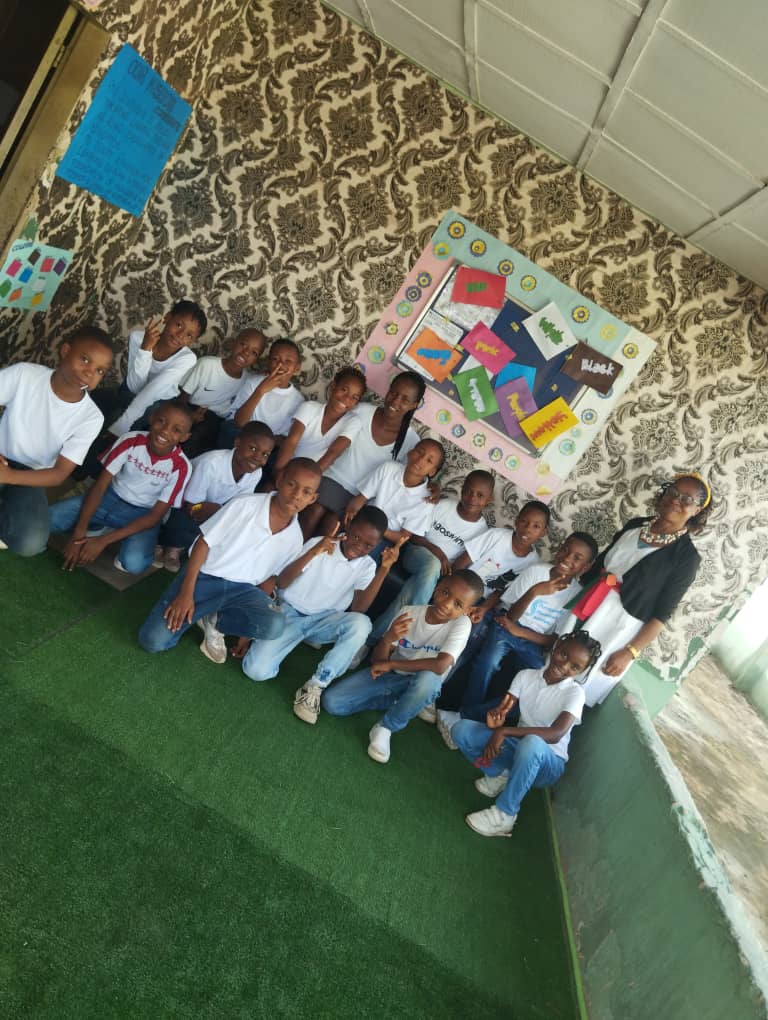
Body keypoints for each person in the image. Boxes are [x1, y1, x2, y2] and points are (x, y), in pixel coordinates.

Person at [137, 458, 321, 662]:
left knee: (274, 625)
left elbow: (270, 579)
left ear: (312, 499)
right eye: (291, 484)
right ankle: (198, 610)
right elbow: (202, 544)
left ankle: (215, 621)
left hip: (242, 591)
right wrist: (185, 594)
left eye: (306, 492)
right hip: (206, 578)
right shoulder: (244, 504)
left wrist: (246, 632)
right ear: (279, 480)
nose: (296, 495)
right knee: (152, 641)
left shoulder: (295, 538)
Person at [237, 507, 404, 726]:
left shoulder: (367, 566)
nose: (359, 546)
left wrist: (384, 569)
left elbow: (359, 608)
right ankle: (270, 636)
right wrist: (314, 552)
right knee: (255, 671)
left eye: (368, 545)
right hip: (289, 614)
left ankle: (316, 685)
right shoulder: (321, 544)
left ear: (377, 545)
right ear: (349, 524)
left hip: (322, 621)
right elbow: (282, 582)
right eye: (356, 537)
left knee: (361, 624)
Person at [557, 473, 712, 706]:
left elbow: (662, 614)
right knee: (554, 663)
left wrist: (630, 652)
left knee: (575, 690)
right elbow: (598, 566)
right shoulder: (636, 525)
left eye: (686, 499)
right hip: (587, 604)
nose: (675, 500)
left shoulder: (687, 558)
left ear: (697, 510)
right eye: (673, 492)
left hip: (615, 628)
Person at [322, 569, 484, 764]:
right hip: (392, 676)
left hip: (418, 681)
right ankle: (399, 702)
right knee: (332, 702)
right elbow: (378, 662)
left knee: (429, 679)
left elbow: (440, 666)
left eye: (458, 604)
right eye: (446, 592)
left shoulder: (462, 624)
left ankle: (386, 727)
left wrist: (391, 663)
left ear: (466, 611)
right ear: (437, 588)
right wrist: (387, 639)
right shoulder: (409, 613)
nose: (447, 604)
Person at [452, 631, 602, 838]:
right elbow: (503, 710)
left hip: (548, 763)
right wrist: (496, 721)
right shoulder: (525, 676)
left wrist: (504, 731)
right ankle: (503, 774)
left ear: (581, 672)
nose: (565, 665)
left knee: (532, 743)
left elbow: (555, 734)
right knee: (461, 730)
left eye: (575, 667)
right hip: (518, 746)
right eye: (564, 654)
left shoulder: (575, 693)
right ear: (557, 646)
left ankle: (505, 815)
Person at [0, 327, 113, 556]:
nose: (89, 372)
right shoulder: (25, 375)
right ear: (65, 351)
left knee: (30, 542)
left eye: (99, 370)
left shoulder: (91, 417)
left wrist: (9, 476)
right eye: (85, 359)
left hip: (32, 475)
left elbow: (60, 473)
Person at [458, 531, 598, 715]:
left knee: (537, 682)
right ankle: (465, 709)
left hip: (533, 640)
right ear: (559, 549)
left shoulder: (576, 595)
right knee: (488, 662)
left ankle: (473, 716)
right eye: (565, 550)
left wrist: (520, 632)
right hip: (506, 626)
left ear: (585, 567)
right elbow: (510, 617)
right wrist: (535, 591)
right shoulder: (536, 571)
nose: (567, 558)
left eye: (577, 558)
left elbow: (555, 641)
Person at [49, 400, 193, 574]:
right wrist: (79, 533)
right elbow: (100, 486)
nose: (165, 431)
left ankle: (109, 533)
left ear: (184, 437)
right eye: (161, 421)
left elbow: (155, 515)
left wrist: (103, 541)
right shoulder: (131, 440)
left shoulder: (181, 467)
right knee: (49, 519)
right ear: (152, 418)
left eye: (176, 430)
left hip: (143, 513)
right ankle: (96, 526)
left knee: (134, 564)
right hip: (109, 497)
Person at [369, 469, 494, 644]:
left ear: (489, 499)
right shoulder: (444, 506)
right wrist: (438, 553)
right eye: (468, 491)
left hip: (438, 574)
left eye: (480, 495)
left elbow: (462, 564)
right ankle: (414, 625)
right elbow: (415, 536)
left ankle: (373, 640)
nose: (472, 498)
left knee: (407, 596)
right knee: (432, 564)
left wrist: (445, 573)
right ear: (462, 489)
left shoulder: (482, 531)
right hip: (416, 553)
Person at [302, 370, 426, 538]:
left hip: (359, 499)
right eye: (393, 393)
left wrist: (432, 488)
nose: (396, 401)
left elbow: (408, 480)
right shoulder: (361, 411)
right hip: (331, 478)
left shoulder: (412, 442)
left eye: (405, 399)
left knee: (332, 525)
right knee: (314, 510)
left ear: (414, 405)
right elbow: (327, 432)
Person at [154, 421, 275, 571]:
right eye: (253, 448)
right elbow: (192, 506)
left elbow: (239, 506)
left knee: (230, 529)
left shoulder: (255, 473)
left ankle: (176, 546)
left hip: (209, 510)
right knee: (186, 519)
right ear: (237, 443)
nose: (257, 457)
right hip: (182, 504)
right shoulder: (211, 463)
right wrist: (218, 511)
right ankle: (163, 541)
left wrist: (219, 513)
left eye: (265, 454)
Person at [101, 300, 207, 437]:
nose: (180, 335)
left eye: (189, 335)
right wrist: (145, 349)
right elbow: (136, 386)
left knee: (119, 420)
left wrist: (123, 424)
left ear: (192, 341)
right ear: (167, 318)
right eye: (179, 325)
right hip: (130, 390)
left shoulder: (187, 358)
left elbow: (154, 389)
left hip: (160, 400)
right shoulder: (138, 338)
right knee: (109, 412)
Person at [343, 437, 445, 551]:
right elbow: (361, 498)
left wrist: (375, 529)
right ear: (410, 452)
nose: (421, 459)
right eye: (419, 452)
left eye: (429, 461)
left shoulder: (427, 500)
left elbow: (402, 537)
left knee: (360, 551)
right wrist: (352, 510)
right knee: (342, 540)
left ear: (432, 471)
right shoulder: (388, 469)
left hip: (384, 538)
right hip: (363, 524)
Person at [177, 329, 266, 457]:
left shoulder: (249, 381)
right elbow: (182, 397)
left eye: (254, 353)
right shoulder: (206, 364)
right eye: (243, 344)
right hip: (188, 409)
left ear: (256, 360)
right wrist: (189, 415)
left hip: (217, 422)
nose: (246, 352)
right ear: (233, 342)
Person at [273, 367, 367, 488]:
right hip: (287, 464)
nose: (347, 398)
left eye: (354, 397)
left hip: (313, 475)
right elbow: (291, 442)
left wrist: (304, 482)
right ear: (334, 386)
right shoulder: (309, 407)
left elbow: (332, 454)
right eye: (344, 390)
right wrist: (279, 473)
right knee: (269, 488)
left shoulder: (353, 422)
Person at [219, 337, 303, 453]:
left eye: (288, 361)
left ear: (297, 368)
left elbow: (284, 438)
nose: (280, 364)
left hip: (269, 445)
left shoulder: (298, 401)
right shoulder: (253, 383)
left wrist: (266, 441)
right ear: (268, 362)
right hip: (244, 433)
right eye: (275, 359)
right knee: (229, 430)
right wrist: (260, 390)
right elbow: (239, 422)